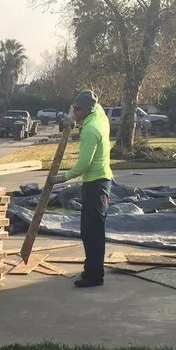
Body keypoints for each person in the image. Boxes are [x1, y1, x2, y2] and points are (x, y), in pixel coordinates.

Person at [52, 90, 113, 288]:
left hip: (96, 184)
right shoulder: (99, 114)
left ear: (86, 110)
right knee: (91, 229)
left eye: (77, 110)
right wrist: (72, 119)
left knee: (92, 231)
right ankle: (92, 269)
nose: (75, 112)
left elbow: (84, 164)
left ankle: (94, 275)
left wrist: (62, 178)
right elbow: (93, 103)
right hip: (99, 181)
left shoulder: (91, 130)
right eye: (74, 108)